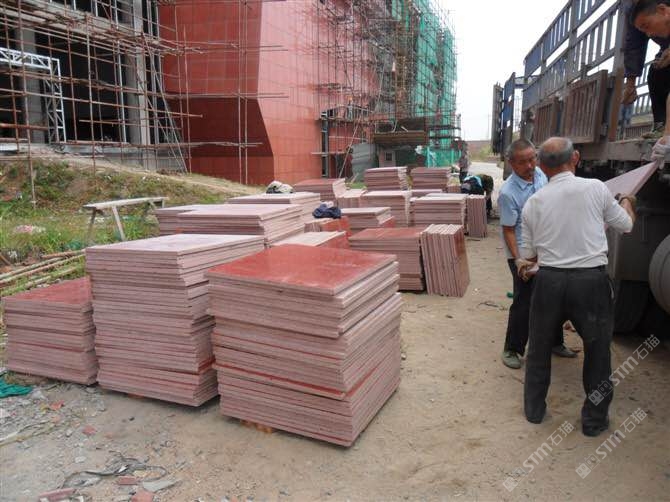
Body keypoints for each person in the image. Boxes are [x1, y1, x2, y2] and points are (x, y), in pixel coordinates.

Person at [519, 137, 636, 437]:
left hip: (549, 282)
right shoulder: (596, 188)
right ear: (576, 158)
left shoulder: (534, 203)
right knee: (597, 352)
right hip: (590, 283)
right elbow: (626, 225)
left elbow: (529, 255)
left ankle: (534, 411)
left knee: (539, 348)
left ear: (542, 166)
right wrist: (627, 201)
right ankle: (594, 421)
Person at [497, 139, 576, 370]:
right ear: (511, 163)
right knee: (525, 300)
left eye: (533, 159)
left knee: (556, 295)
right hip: (523, 251)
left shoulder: (541, 174)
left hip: (547, 247)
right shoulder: (508, 193)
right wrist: (519, 260)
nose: (530, 165)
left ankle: (554, 342)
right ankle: (512, 348)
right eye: (523, 162)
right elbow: (509, 230)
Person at [622, 0, 670, 138]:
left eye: (647, 26)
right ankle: (661, 126)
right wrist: (630, 83)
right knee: (656, 72)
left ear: (662, 10)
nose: (648, 34)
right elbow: (634, 45)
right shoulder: (633, 10)